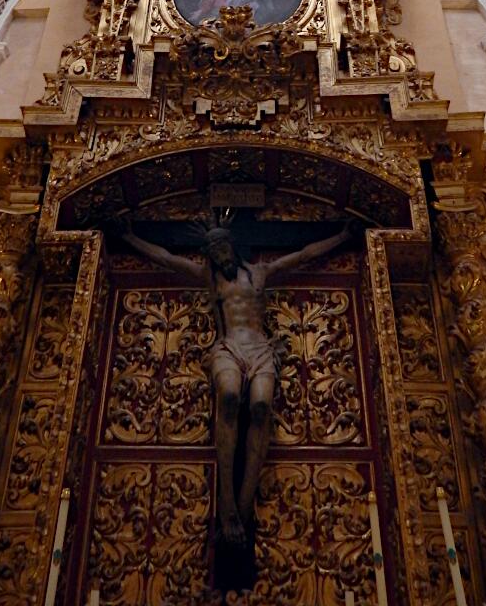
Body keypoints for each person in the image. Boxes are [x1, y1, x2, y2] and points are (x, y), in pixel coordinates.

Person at [119, 219, 352, 545]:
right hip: (228, 347)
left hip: (260, 348)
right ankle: (226, 501)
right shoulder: (209, 279)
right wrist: (131, 237)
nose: (220, 256)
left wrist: (341, 235)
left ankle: (244, 505)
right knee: (228, 396)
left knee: (260, 407)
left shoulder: (259, 273)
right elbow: (167, 259)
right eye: (214, 252)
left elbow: (302, 255)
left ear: (232, 246)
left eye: (223, 248)